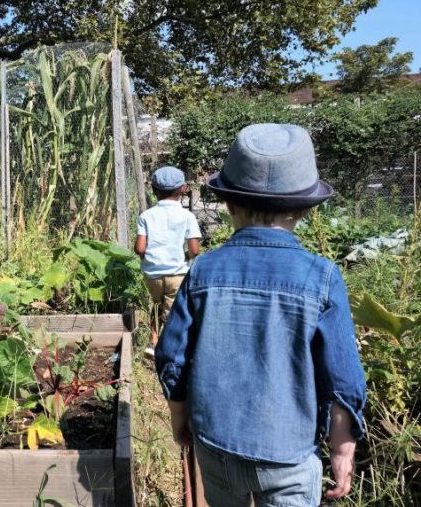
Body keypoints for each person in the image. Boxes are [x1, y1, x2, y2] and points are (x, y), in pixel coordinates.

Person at [155, 123, 366, 506]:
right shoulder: (322, 277)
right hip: (288, 452)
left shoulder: (203, 270)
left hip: (215, 443)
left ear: (229, 204)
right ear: (305, 208)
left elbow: (172, 356)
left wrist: (179, 417)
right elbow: (342, 378)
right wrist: (341, 450)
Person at [134, 166, 201, 360]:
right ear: (182, 189)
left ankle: (153, 342)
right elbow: (195, 249)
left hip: (153, 273)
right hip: (178, 273)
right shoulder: (187, 216)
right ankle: (169, 350)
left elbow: (139, 248)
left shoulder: (146, 216)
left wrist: (150, 261)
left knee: (156, 305)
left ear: (154, 191)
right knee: (172, 312)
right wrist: (186, 258)